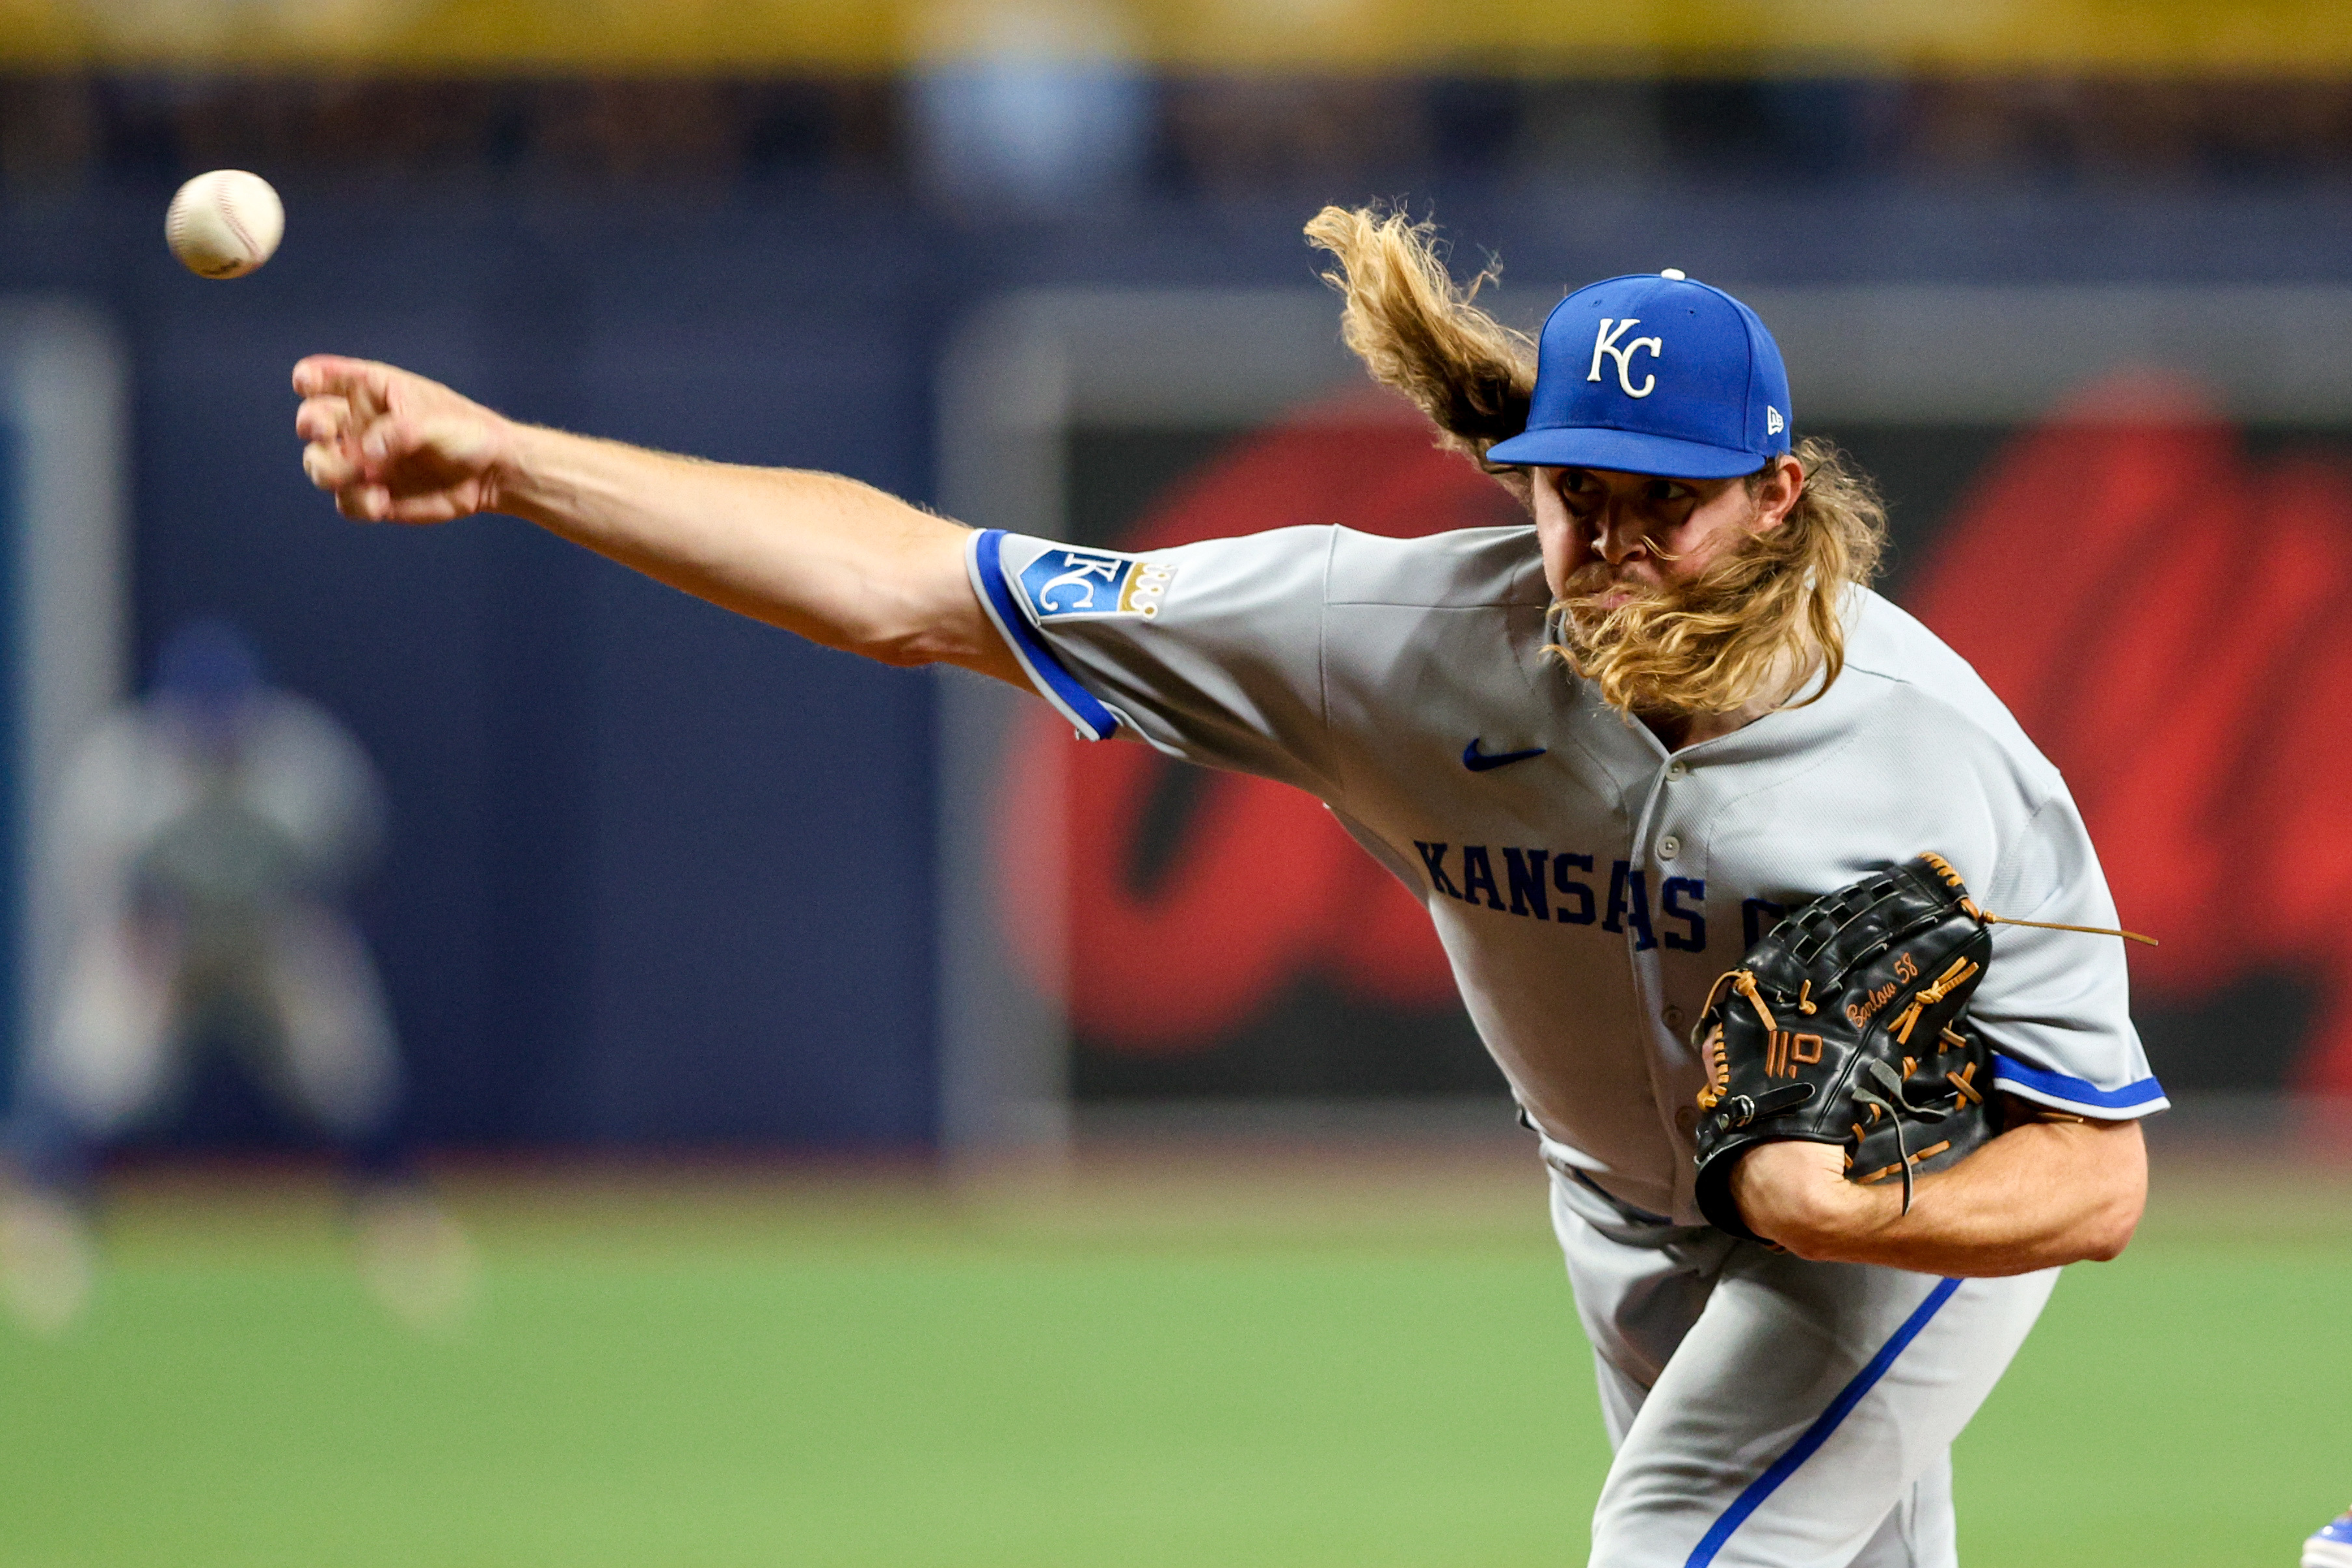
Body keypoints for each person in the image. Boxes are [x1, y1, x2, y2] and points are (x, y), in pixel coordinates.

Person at [288, 206, 2165, 1565]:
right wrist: (521, 458)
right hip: (1624, 1210)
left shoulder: (1931, 751)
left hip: (1888, 1227)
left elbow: (2094, 1174)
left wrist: (1842, 1207)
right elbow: (908, 589)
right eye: (1565, 490)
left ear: (1769, 495)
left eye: (1652, 502)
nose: (1598, 546)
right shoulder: (1396, 637)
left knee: (1680, 1541)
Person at [0, 620, 469, 1332]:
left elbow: (356, 863)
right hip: (160, 942)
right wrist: (144, 951)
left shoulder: (303, 762)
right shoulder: (122, 769)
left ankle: (395, 1215)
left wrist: (311, 937)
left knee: (343, 1059)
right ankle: (34, 1211)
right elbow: (99, 889)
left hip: (270, 934)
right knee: (99, 1063)